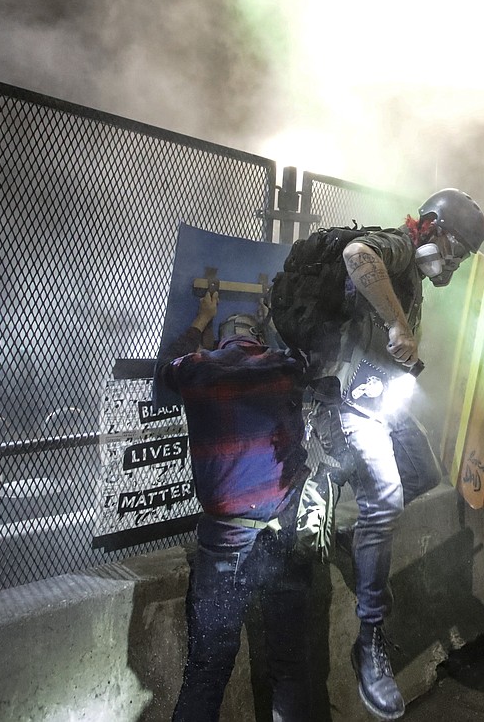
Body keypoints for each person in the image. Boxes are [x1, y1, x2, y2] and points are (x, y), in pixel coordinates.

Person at [303, 188, 484, 720]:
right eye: (456, 246)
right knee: (383, 498)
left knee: (423, 472)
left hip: (378, 397)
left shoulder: (413, 276)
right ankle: (371, 640)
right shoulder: (399, 245)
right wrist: (398, 325)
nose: (455, 261)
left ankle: (352, 529)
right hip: (345, 398)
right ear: (432, 228)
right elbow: (358, 255)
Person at [159, 294, 312, 722]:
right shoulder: (286, 367)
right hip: (282, 533)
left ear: (220, 341)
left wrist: (199, 321)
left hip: (225, 541)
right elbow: (307, 359)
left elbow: (163, 369)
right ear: (259, 338)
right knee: (290, 665)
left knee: (207, 670)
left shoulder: (198, 369)